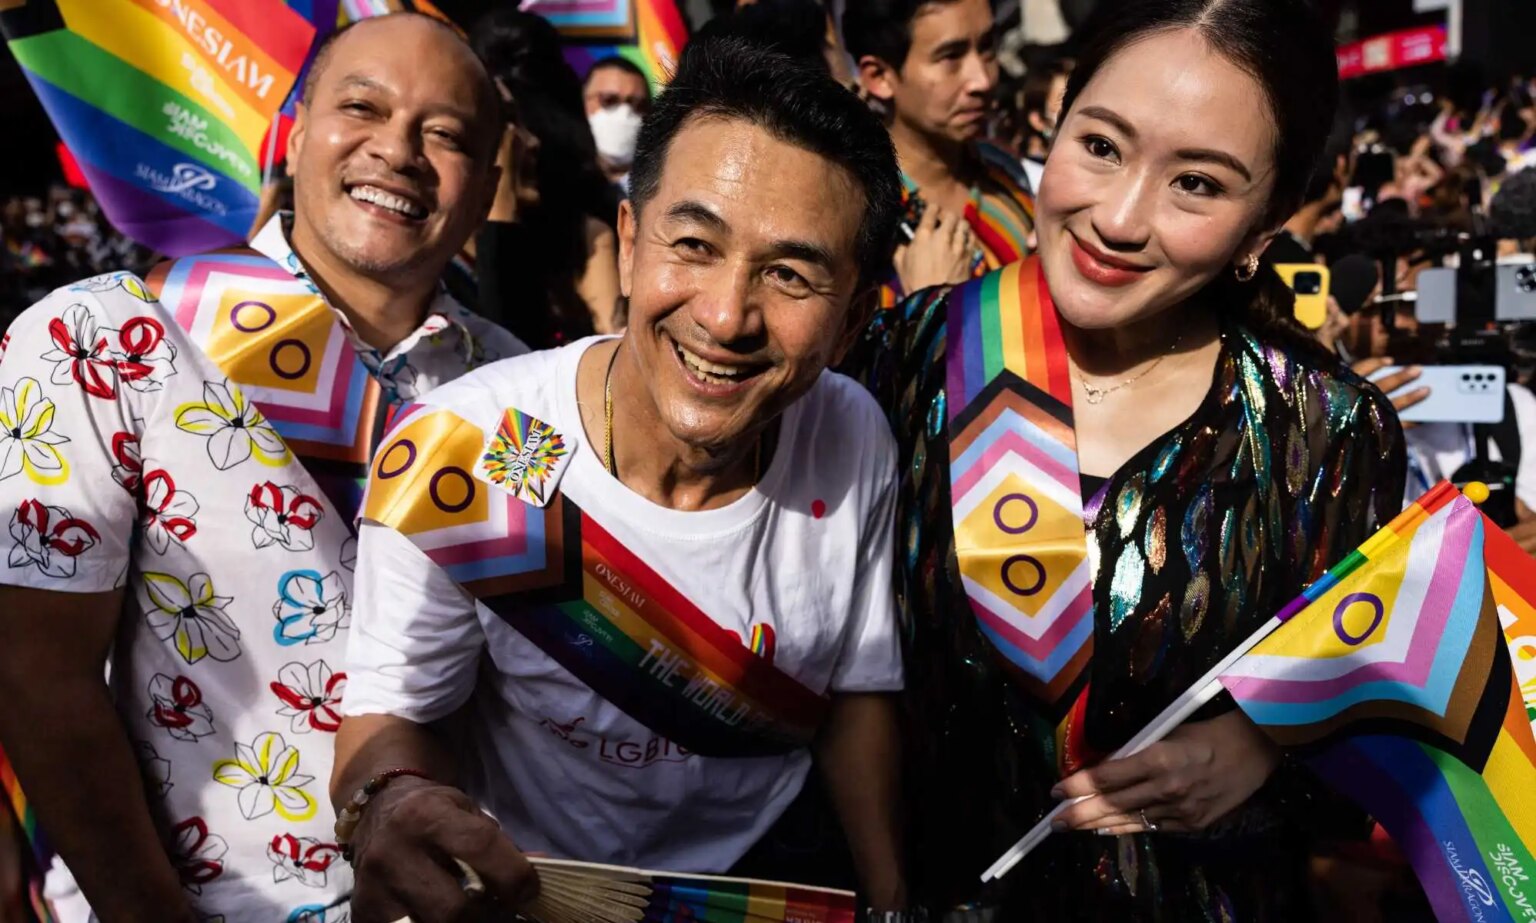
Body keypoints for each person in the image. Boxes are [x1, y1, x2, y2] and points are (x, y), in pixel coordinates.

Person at [844, 0, 1407, 917]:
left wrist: (1265, 748)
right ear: (1053, 126)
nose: (1118, 218)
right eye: (1101, 146)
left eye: (1198, 184)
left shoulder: (1327, 431)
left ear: (1263, 230)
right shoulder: (900, 358)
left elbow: (1373, 735)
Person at [332, 36, 912, 923]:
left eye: (790, 274)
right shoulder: (465, 453)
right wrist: (393, 800)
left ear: (853, 319)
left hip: (766, 881)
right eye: (695, 244)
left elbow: (856, 695)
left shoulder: (853, 430)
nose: (726, 315)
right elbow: (390, 717)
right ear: (632, 241)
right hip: (541, 895)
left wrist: (892, 901)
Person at [0, 14, 524, 923]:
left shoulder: (526, 395)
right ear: (295, 133)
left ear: (485, 187)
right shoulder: (105, 337)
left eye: (445, 133)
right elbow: (35, 670)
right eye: (362, 108)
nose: (397, 150)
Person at [844, 0, 1036, 306]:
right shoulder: (855, 214)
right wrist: (926, 306)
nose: (982, 80)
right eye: (950, 57)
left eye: (987, 47)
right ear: (879, 76)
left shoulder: (1005, 171)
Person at [471, 8, 625, 342]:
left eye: (534, 125)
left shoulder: (582, 236)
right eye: (507, 124)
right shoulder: (439, 246)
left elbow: (513, 355)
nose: (531, 142)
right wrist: (499, 202)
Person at [582, 56, 652, 191]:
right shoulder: (556, 181)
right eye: (608, 100)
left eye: (637, 105)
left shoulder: (658, 188)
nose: (624, 114)